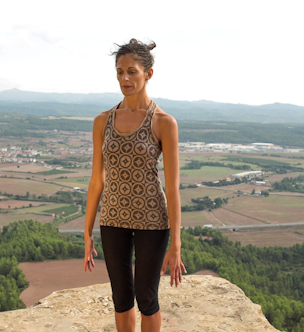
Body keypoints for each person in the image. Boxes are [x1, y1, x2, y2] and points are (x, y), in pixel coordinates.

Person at [83, 38, 186, 332]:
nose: (124, 78)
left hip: (152, 221)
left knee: (147, 298)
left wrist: (176, 244)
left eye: (132, 71)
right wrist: (87, 231)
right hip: (113, 219)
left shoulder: (163, 122)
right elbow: (96, 180)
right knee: (121, 298)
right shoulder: (102, 121)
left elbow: (173, 187)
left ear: (148, 74)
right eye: (119, 72)